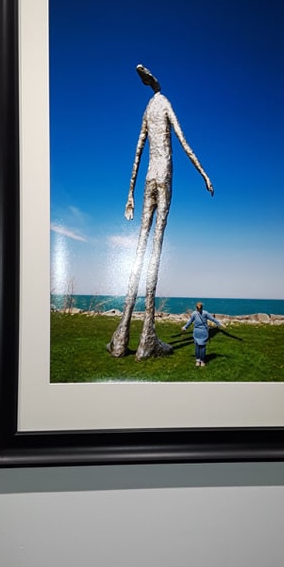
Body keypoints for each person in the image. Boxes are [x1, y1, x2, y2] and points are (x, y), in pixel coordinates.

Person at [107, 65, 214, 360]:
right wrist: (204, 174)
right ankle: (146, 340)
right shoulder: (164, 102)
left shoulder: (147, 109)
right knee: (155, 249)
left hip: (147, 179)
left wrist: (130, 193)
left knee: (140, 248)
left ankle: (122, 336)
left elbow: (137, 151)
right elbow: (183, 141)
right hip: (164, 176)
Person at [182, 302, 222, 367]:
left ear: (196, 307)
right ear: (202, 307)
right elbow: (212, 319)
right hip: (202, 332)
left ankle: (199, 360)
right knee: (201, 347)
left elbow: (190, 321)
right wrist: (219, 323)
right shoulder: (204, 313)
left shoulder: (195, 313)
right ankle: (201, 361)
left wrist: (185, 327)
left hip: (199, 332)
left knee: (198, 347)